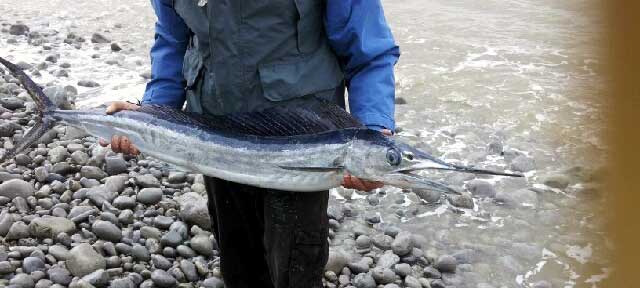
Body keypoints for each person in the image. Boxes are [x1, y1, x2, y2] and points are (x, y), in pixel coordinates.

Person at [103, 0, 399, 287]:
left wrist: (372, 136)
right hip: (213, 138)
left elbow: (367, 51)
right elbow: (173, 40)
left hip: (304, 144)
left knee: (295, 270)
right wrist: (150, 115)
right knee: (238, 263)